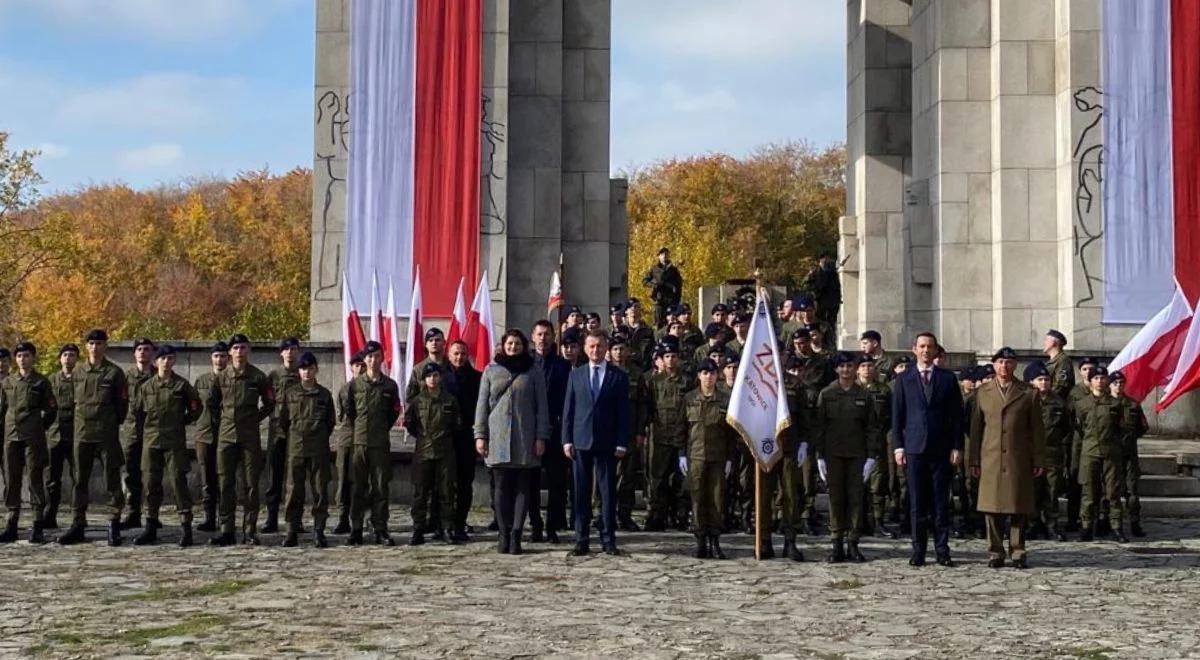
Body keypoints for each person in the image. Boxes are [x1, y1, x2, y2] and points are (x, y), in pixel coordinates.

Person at [969, 347, 1046, 569]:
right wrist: (974, 459)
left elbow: (1037, 431)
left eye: (1010, 362)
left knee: (1018, 506)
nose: (1005, 366)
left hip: (1018, 456)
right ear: (994, 365)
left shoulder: (1028, 393)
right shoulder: (983, 392)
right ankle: (995, 551)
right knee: (991, 507)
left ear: (1016, 366)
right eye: (1001, 362)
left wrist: (1039, 459)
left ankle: (1018, 550)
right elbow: (976, 430)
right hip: (990, 457)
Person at [891, 332, 964, 567]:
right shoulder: (904, 379)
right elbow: (897, 416)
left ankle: (942, 550)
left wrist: (957, 446)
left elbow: (956, 416)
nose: (925, 350)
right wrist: (898, 447)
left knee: (941, 503)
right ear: (914, 349)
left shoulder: (947, 378)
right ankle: (918, 550)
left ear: (936, 351)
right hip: (914, 448)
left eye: (930, 347)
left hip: (941, 448)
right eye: (921, 346)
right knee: (917, 503)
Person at [475, 329, 549, 555]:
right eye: (510, 343)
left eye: (517, 343)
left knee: (522, 488)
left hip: (524, 439)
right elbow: (482, 405)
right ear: (503, 345)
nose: (513, 347)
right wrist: (480, 435)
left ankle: (517, 533)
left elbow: (541, 407)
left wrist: (540, 436)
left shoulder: (533, 371)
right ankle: (503, 533)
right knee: (500, 488)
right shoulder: (491, 370)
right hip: (497, 438)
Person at [562, 331, 630, 556]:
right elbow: (569, 410)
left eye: (599, 346)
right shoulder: (576, 375)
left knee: (607, 493)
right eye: (591, 346)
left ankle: (608, 539)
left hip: (607, 442)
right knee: (581, 493)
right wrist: (566, 439)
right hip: (581, 441)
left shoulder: (618, 376)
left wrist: (622, 441)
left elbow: (623, 413)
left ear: (606, 348)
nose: (595, 350)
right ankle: (581, 539)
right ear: (585, 348)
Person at [59, 329, 129, 547]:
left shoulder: (115, 373)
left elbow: (122, 406)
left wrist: (110, 423)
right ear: (86, 346)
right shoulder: (77, 372)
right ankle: (78, 524)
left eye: (99, 343)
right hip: (82, 434)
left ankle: (113, 524)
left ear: (105, 346)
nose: (95, 347)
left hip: (106, 434)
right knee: (79, 480)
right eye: (91, 343)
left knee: (112, 479)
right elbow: (71, 403)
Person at [130, 344, 202, 546]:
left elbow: (196, 409)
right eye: (163, 358)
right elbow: (138, 412)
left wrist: (181, 422)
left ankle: (186, 528)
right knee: (151, 485)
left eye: (170, 358)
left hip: (174, 442)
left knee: (179, 483)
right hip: (151, 441)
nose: (166, 362)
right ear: (155, 361)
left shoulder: (182, 386)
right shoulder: (146, 387)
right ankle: (151, 527)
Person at [208, 334, 275, 546]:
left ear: (248, 351)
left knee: (251, 485)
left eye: (243, 348)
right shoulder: (221, 377)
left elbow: (270, 403)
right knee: (225, 484)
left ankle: (249, 530)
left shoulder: (258, 377)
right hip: (226, 437)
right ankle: (227, 529)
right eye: (235, 348)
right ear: (230, 352)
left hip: (249, 437)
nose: (239, 352)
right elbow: (212, 405)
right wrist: (224, 421)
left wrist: (255, 418)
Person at [815, 352, 879, 563]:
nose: (846, 370)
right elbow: (820, 427)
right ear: (836, 370)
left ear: (855, 369)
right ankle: (836, 544)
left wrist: (871, 456)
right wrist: (820, 456)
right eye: (842, 367)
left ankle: (853, 543)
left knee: (855, 500)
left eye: (850, 366)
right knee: (835, 500)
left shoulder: (864, 395)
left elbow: (871, 428)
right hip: (833, 455)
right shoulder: (827, 394)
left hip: (856, 455)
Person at [276, 351, 335, 548]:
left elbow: (330, 423)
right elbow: (284, 421)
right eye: (303, 369)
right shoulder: (290, 393)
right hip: (296, 448)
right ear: (299, 371)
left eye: (310, 369)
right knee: (293, 491)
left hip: (318, 449)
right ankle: (291, 530)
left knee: (320, 490)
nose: (307, 372)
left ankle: (319, 531)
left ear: (316, 370)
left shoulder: (325, 394)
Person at [346, 341, 402, 546]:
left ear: (382, 357)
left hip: (380, 443)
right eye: (369, 357)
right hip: (360, 443)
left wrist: (380, 429)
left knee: (380, 487)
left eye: (377, 356)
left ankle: (380, 528)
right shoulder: (355, 385)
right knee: (358, 487)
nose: (373, 360)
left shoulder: (389, 385)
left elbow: (394, 412)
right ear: (364, 359)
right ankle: (357, 528)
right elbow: (350, 412)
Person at [0, 342, 56, 544]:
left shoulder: (41, 382)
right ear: (15, 359)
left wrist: (38, 427)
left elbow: (51, 410)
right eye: (20, 356)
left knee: (34, 478)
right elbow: (2, 409)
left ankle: (37, 524)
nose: (23, 359)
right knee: (11, 480)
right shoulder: (8, 382)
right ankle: (11, 524)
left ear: (33, 358)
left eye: (26, 355)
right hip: (11, 437)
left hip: (32, 438)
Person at [403, 363, 461, 546]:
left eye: (435, 375)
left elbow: (457, 424)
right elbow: (410, 424)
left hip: (445, 453)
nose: (432, 379)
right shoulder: (417, 401)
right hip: (423, 452)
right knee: (420, 493)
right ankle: (418, 529)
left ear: (440, 377)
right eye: (429, 376)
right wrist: (424, 437)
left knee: (446, 492)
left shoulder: (450, 400)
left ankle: (446, 528)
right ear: (424, 379)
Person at [681, 359, 734, 559]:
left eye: (712, 373)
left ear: (717, 375)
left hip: (718, 457)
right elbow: (682, 428)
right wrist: (681, 455)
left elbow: (731, 433)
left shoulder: (725, 400)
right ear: (698, 376)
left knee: (716, 500)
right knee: (697, 499)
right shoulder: (689, 399)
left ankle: (715, 540)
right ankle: (701, 541)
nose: (708, 377)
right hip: (695, 456)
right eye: (704, 373)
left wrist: (729, 458)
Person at [1074, 366, 1130, 542]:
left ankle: (1116, 527)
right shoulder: (1082, 404)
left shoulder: (1116, 404)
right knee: (1089, 492)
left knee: (1112, 492)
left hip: (1110, 452)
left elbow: (1122, 428)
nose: (1100, 381)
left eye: (1102, 377)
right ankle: (1086, 526)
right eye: (1096, 378)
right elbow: (1079, 428)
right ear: (1090, 382)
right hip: (1090, 452)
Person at [529, 321, 571, 543]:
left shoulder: (563, 366)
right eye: (539, 334)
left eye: (547, 334)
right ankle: (535, 525)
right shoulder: (526, 364)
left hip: (555, 432)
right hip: (531, 432)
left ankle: (553, 526)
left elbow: (567, 400)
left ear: (554, 337)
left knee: (557, 483)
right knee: (531, 482)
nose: (543, 338)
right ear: (532, 337)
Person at [645, 341, 692, 531]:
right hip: (661, 436)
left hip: (681, 437)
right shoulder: (654, 382)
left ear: (678, 359)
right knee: (658, 479)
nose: (671, 360)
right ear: (662, 360)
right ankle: (658, 516)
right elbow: (649, 408)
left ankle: (680, 515)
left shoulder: (687, 382)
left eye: (674, 356)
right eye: (667, 356)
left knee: (681, 480)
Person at [1027, 362, 1071, 541]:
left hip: (1052, 453)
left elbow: (1066, 427)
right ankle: (1032, 524)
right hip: (1031, 453)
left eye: (1047, 379)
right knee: (1032, 490)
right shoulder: (1026, 400)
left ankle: (1052, 525)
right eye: (1040, 379)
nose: (1044, 383)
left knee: (1052, 491)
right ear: (1032, 382)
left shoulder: (1058, 402)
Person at [609, 335, 648, 531]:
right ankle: (603, 513)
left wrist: (641, 431)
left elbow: (642, 405)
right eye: (615, 349)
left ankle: (625, 514)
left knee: (628, 475)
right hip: (608, 431)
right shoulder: (604, 371)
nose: (619, 353)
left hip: (631, 431)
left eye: (622, 349)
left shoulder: (636, 374)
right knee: (606, 475)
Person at [263, 337, 302, 534]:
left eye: (293, 349)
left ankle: (296, 519)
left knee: (295, 477)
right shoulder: (274, 376)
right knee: (274, 476)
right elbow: (268, 402)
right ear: (281, 353)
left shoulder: (303, 374)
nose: (289, 352)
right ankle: (271, 518)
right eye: (286, 349)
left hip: (297, 430)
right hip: (277, 430)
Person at [447, 339, 482, 543]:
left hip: (467, 440)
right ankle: (445, 524)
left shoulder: (477, 378)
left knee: (464, 484)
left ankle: (460, 523)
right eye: (455, 354)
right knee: (444, 485)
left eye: (462, 354)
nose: (459, 357)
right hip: (445, 439)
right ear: (449, 355)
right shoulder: (440, 378)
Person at [192, 342, 229, 533]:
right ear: (211, 358)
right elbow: (194, 406)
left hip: (226, 434)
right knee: (207, 479)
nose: (220, 359)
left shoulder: (232, 380)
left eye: (223, 356)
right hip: (204, 435)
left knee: (224, 479)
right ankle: (209, 518)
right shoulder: (202, 381)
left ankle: (225, 519)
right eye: (216, 356)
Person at [120, 337, 156, 530]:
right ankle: (133, 513)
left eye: (147, 349)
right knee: (131, 475)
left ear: (152, 353)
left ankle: (153, 514)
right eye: (140, 349)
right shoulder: (125, 377)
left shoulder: (159, 375)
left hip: (153, 432)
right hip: (132, 432)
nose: (143, 352)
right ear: (134, 353)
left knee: (152, 476)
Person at [857, 355, 895, 538]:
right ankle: (858, 522)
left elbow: (889, 417)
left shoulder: (884, 390)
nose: (867, 369)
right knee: (857, 484)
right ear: (857, 369)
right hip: (854, 443)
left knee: (877, 483)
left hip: (876, 443)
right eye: (863, 366)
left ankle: (878, 521)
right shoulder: (851, 388)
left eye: (869, 365)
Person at [43, 344, 78, 530]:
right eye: (64, 354)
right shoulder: (51, 380)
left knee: (78, 477)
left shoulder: (81, 379)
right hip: (55, 435)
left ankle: (77, 516)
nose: (68, 358)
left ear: (76, 359)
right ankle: (50, 513)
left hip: (75, 435)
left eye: (72, 355)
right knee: (52, 478)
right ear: (60, 358)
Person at [1110, 371, 1148, 537]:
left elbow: (1142, 427)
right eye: (1115, 383)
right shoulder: (1104, 404)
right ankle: (1111, 523)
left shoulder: (1132, 404)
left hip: (1129, 455)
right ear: (1109, 384)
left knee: (1132, 492)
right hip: (1110, 454)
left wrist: (1128, 439)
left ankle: (1134, 522)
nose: (1118, 386)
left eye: (1121, 383)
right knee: (1111, 491)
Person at [332, 351, 364, 534]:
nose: (360, 368)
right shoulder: (345, 389)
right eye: (356, 365)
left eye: (362, 365)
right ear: (351, 367)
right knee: (343, 478)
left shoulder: (372, 387)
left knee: (362, 479)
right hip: (346, 436)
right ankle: (343, 517)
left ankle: (361, 518)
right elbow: (340, 415)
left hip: (364, 437)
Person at [1065, 356, 1098, 531]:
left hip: (1095, 440)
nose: (1088, 372)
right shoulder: (1075, 392)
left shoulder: (1102, 390)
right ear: (1080, 372)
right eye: (1085, 369)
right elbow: (1068, 416)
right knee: (1075, 479)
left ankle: (1095, 519)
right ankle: (1072, 519)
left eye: (1091, 368)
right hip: (1077, 442)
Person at [643, 246, 683, 328]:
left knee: (671, 323)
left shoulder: (673, 270)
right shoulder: (654, 269)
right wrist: (655, 285)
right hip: (659, 301)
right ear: (659, 256)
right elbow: (645, 281)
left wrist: (677, 300)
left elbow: (679, 285)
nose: (664, 255)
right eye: (662, 254)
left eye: (666, 253)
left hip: (671, 301)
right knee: (658, 323)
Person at [804, 253, 842, 329]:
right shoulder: (815, 272)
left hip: (832, 302)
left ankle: (830, 335)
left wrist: (838, 298)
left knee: (831, 323)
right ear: (821, 259)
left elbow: (837, 286)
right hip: (820, 301)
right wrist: (814, 293)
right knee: (820, 321)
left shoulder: (832, 272)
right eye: (826, 259)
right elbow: (807, 284)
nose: (828, 260)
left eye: (828, 259)